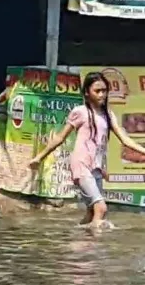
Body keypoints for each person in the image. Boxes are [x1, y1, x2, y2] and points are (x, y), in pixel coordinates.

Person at [29, 71, 145, 228]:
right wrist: (39, 157)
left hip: (96, 167)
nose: (102, 94)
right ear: (87, 93)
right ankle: (93, 249)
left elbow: (125, 139)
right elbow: (60, 137)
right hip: (81, 165)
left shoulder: (108, 115)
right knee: (101, 208)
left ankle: (80, 239)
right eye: (97, 91)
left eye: (104, 91)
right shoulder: (80, 112)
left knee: (92, 212)